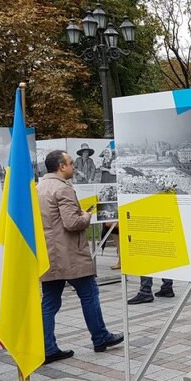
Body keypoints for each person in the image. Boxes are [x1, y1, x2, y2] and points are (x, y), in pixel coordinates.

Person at [38, 150, 124, 364]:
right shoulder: (63, 189)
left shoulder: (38, 187)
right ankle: (100, 337)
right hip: (70, 254)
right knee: (89, 295)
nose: (73, 167)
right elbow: (71, 223)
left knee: (49, 302)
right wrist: (86, 216)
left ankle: (47, 348)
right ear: (61, 166)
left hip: (49, 254)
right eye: (70, 163)